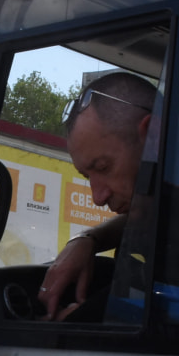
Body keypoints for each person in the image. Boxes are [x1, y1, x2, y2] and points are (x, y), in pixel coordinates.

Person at [37, 72, 157, 320]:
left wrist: (78, 322)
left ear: (152, 136)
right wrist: (87, 239)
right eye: (86, 176)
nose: (97, 197)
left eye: (103, 167)